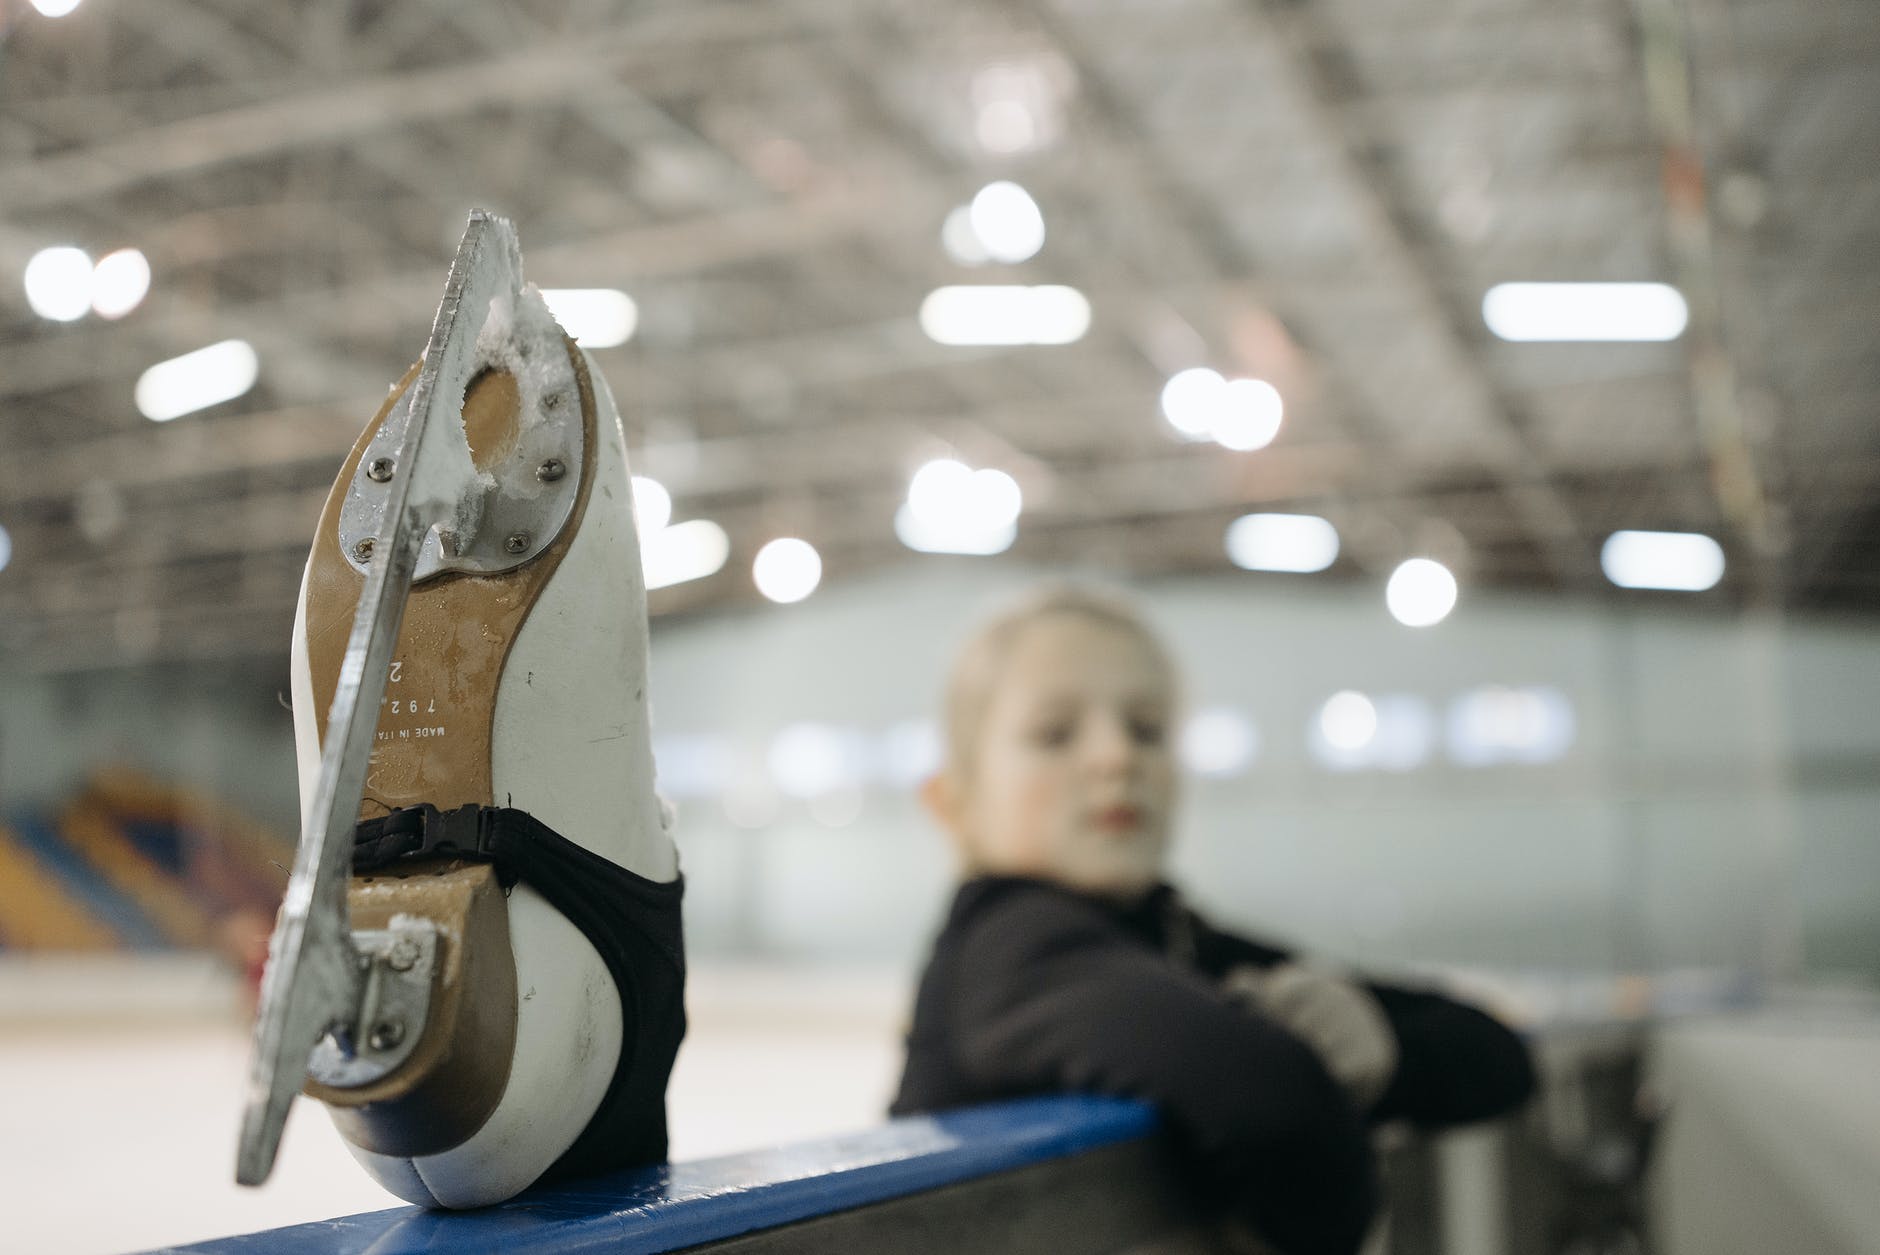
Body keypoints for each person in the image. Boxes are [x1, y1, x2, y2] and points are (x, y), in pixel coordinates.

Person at [892, 584, 1535, 1255]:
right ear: (954, 799)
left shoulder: (1175, 940)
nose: (1116, 756)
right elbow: (1274, 1103)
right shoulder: (1010, 945)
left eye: (1148, 728)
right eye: (1054, 734)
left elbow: (1497, 1052)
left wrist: (1383, 1045)